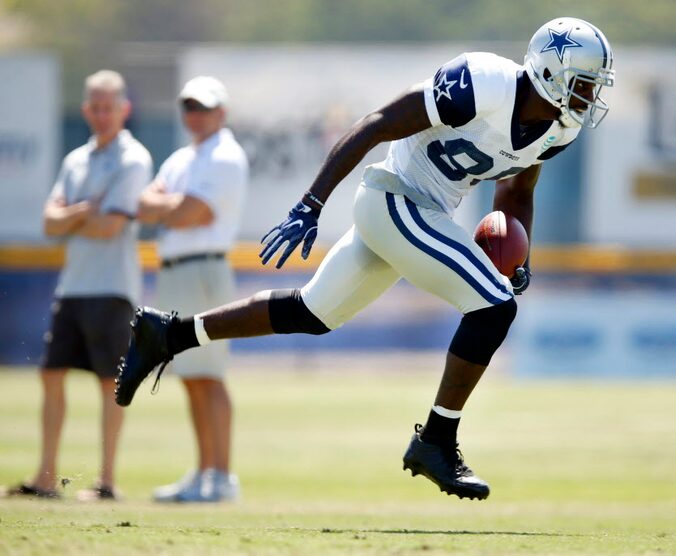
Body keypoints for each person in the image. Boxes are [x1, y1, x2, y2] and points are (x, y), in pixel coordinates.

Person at [116, 17, 615, 500]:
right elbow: (378, 123)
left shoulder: (559, 129)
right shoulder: (483, 83)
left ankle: (170, 333)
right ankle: (436, 440)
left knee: (312, 313)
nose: (590, 97)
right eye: (584, 84)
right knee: (494, 307)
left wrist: (518, 244)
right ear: (550, 71)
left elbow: (518, 186)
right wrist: (310, 204)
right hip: (395, 197)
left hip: (422, 213)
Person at [6, 70, 152, 500]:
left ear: (123, 109)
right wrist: (86, 211)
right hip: (73, 286)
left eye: (110, 107)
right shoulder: (76, 159)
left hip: (113, 287)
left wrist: (73, 213)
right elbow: (50, 224)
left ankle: (107, 482)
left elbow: (110, 227)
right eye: (96, 107)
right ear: (87, 109)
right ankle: (46, 478)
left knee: (110, 382)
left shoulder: (134, 158)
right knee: (51, 374)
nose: (103, 114)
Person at [135, 76, 249, 503]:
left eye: (203, 107)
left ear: (221, 112)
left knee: (209, 375)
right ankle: (204, 471)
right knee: (190, 377)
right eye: (189, 107)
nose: (194, 115)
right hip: (175, 270)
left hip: (203, 269)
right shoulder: (184, 157)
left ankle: (221, 476)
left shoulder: (225, 155)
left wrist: (165, 206)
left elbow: (194, 213)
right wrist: (169, 207)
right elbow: (144, 203)